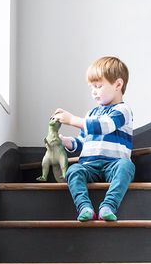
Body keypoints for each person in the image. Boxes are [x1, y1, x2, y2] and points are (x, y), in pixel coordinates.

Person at [53, 56, 134, 222]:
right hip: (89, 165)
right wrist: (66, 141)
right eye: (92, 87)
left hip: (114, 164)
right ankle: (84, 207)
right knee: (73, 171)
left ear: (118, 85)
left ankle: (108, 205)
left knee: (127, 166)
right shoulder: (91, 113)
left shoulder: (122, 110)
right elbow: (82, 141)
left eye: (98, 86)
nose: (94, 91)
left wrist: (72, 120)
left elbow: (104, 126)